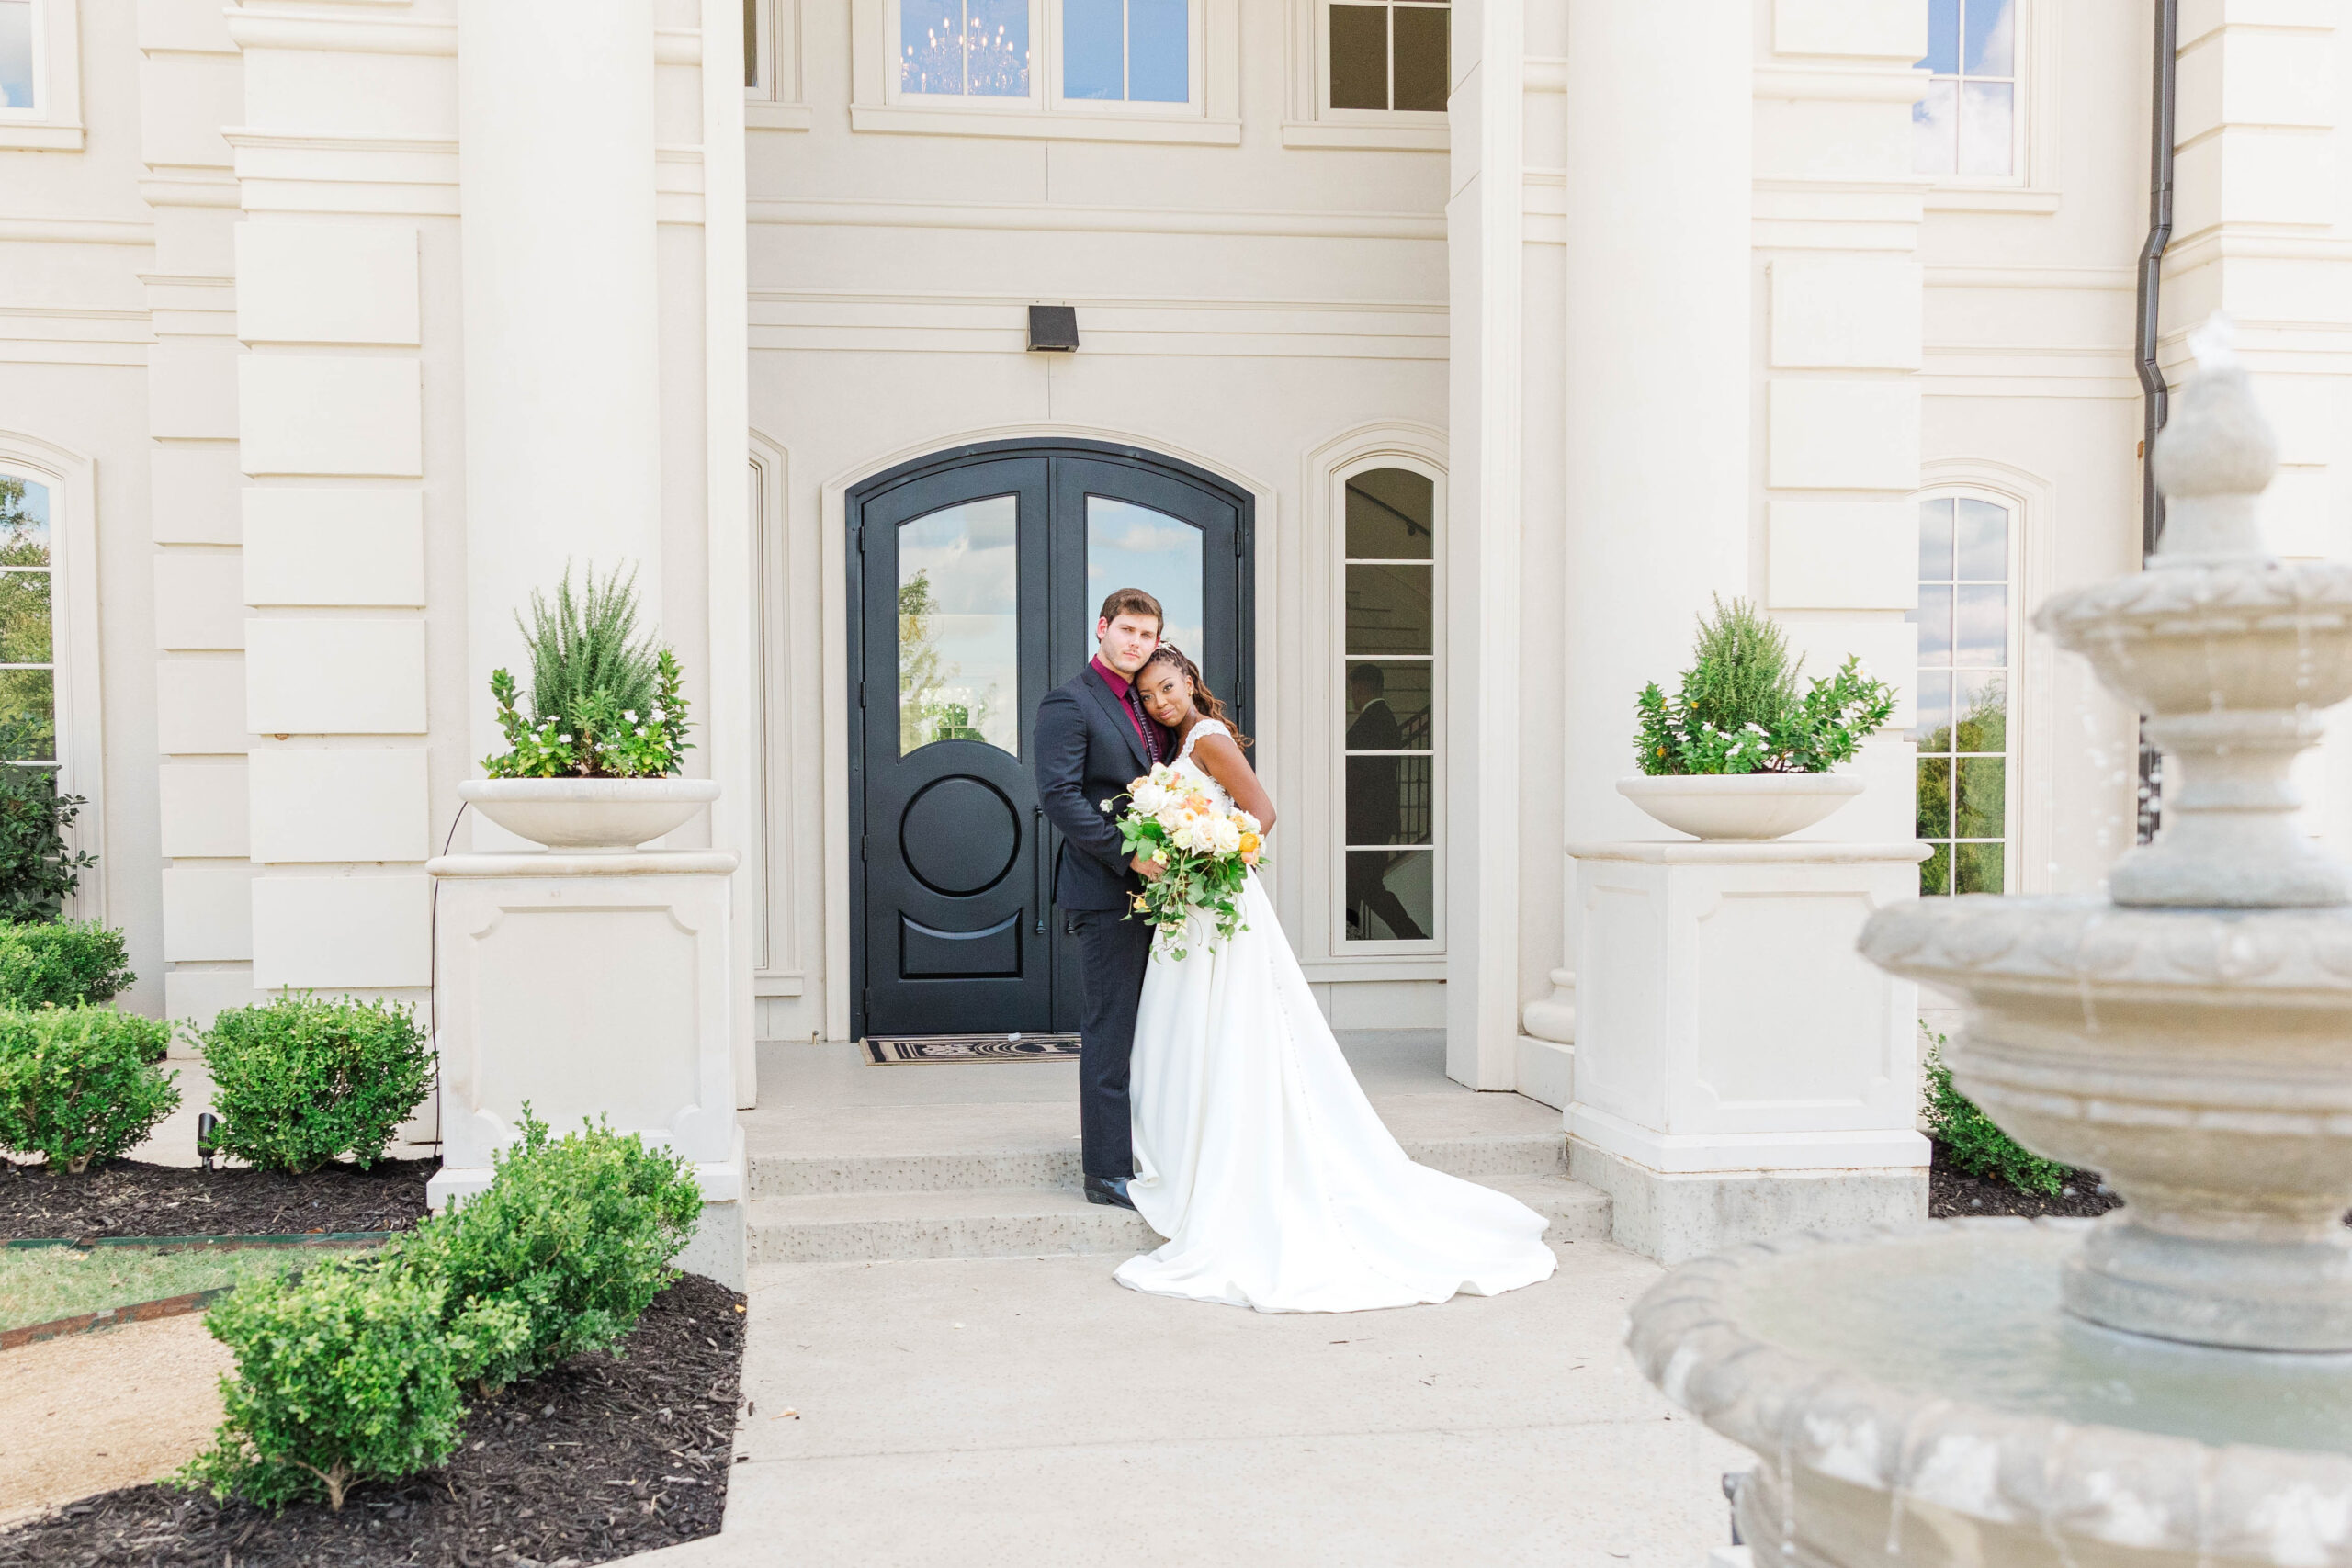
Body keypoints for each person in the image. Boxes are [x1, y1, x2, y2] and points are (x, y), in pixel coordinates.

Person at [1110, 643, 1556, 1313]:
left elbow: (1260, 811)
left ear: (1190, 681)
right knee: (1190, 1031)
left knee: (1232, 1028)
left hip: (1218, 898)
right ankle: (1188, 1150)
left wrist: (1214, 855)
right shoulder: (1179, 744)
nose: (1159, 701)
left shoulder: (1204, 735)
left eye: (1167, 686)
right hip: (1188, 908)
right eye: (1147, 695)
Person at [1032, 587, 1175, 1212]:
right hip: (1104, 891)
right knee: (1110, 1029)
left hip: (1162, 893)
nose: (1136, 644)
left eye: (1147, 635)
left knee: (1162, 1026)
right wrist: (1129, 854)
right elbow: (1061, 796)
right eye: (1127, 631)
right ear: (1102, 628)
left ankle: (1151, 1146)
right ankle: (1106, 1170)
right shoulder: (1071, 701)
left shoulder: (1149, 703)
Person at [1343, 663, 1427, 941]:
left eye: (1353, 689)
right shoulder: (1382, 718)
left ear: (1363, 687)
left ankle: (1413, 938)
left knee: (1368, 885)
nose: (1352, 695)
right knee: (1356, 882)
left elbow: (1364, 773)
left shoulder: (1374, 721)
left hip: (1367, 819)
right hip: (1371, 818)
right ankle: (1350, 933)